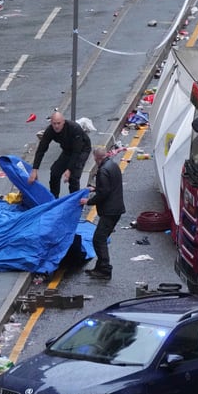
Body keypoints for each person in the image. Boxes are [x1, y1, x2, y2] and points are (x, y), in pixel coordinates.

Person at [80, 146, 125, 280]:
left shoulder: (103, 171)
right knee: (100, 238)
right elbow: (109, 186)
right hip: (115, 208)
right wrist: (95, 188)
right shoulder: (113, 165)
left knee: (98, 239)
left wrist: (87, 202)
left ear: (96, 158)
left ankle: (105, 269)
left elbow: (104, 193)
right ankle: (99, 267)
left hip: (110, 211)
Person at [28, 111, 92, 196]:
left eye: (59, 123)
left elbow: (76, 151)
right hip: (67, 150)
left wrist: (69, 169)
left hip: (82, 149)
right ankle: (54, 198)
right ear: (51, 123)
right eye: (54, 124)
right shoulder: (50, 130)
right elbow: (41, 149)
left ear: (63, 122)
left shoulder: (74, 128)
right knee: (55, 172)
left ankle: (75, 201)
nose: (56, 126)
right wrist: (34, 169)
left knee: (73, 177)